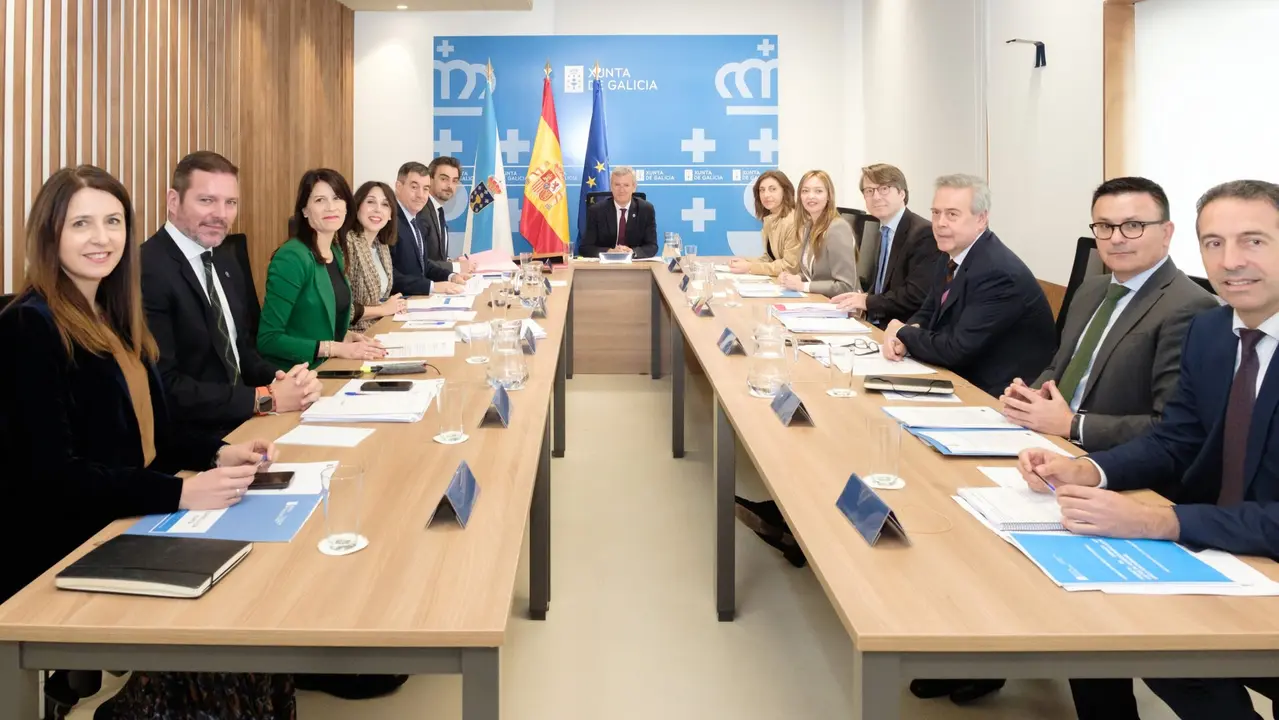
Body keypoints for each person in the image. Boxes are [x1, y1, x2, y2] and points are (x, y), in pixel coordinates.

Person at [0, 165, 291, 719]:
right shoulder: (29, 326)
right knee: (230, 640)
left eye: (113, 221)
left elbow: (151, 433)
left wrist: (215, 453)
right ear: (50, 234)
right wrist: (180, 495)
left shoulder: (113, 314)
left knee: (258, 610)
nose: (102, 237)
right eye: (81, 224)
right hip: (66, 542)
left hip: (129, 516)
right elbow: (55, 476)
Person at [1017, 179, 1279, 720]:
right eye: (1213, 243)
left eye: (1253, 241)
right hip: (1222, 551)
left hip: (1250, 551)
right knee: (1102, 619)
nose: (1230, 261)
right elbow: (1175, 438)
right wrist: (1087, 469)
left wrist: (1163, 523)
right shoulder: (1212, 330)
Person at [141, 151, 323, 439]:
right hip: (194, 444)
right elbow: (165, 387)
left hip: (247, 425)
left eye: (231, 203)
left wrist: (285, 382)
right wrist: (267, 398)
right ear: (173, 201)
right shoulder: (148, 269)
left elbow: (241, 353)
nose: (221, 215)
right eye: (207, 201)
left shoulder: (224, 258)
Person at [882, 174, 1056, 398]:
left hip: (999, 394)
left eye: (952, 214)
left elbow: (956, 350)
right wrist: (906, 335)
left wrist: (902, 332)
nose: (940, 223)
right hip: (960, 376)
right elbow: (928, 312)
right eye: (936, 213)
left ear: (981, 219)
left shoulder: (997, 273)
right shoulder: (951, 254)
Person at [258, 169, 386, 370]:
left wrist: (347, 337)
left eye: (337, 198)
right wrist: (333, 348)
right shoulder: (291, 257)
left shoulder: (335, 251)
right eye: (319, 200)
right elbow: (268, 339)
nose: (331, 207)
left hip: (330, 366)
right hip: (300, 374)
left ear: (346, 207)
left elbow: (316, 323)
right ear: (305, 210)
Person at [832, 163, 942, 328]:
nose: (876, 197)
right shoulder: (881, 229)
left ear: (902, 193)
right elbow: (881, 287)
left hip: (901, 330)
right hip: (874, 324)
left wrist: (868, 302)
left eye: (884, 189)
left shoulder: (923, 234)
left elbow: (915, 295)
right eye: (869, 191)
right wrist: (859, 302)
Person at [389, 160, 466, 295]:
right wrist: (432, 286)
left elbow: (423, 264)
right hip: (398, 303)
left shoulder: (415, 219)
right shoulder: (390, 221)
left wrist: (450, 276)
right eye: (414, 187)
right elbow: (389, 275)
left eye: (425, 189)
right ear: (398, 187)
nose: (420, 195)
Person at [778, 170, 859, 297]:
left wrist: (802, 286)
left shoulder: (837, 227)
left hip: (841, 307)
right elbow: (812, 275)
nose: (811, 196)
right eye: (805, 191)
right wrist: (794, 278)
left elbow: (845, 286)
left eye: (818, 191)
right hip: (819, 302)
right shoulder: (809, 226)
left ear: (829, 196)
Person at [346, 180, 408, 334]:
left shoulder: (381, 245)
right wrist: (383, 309)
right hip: (353, 335)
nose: (377, 210)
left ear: (390, 215)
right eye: (370, 202)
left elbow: (378, 298)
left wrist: (394, 305)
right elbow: (340, 311)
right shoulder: (346, 243)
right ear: (357, 206)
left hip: (378, 328)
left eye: (385, 205)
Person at [727, 170, 801, 276]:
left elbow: (789, 267)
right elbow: (770, 259)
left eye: (773, 189)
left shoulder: (793, 221)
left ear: (785, 191)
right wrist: (745, 261)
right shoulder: (770, 220)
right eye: (762, 190)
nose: (766, 195)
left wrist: (749, 267)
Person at [580, 166, 659, 258]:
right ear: (611, 187)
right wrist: (609, 252)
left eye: (626, 185)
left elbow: (652, 246)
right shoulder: (596, 211)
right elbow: (585, 248)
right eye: (617, 185)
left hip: (634, 266)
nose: (621, 190)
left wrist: (633, 252)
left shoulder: (646, 210)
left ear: (634, 187)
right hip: (605, 267)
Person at [419, 156, 478, 275]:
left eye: (455, 181)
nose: (450, 186)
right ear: (430, 179)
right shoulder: (420, 211)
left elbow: (436, 258)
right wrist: (455, 267)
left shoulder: (438, 210)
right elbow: (420, 262)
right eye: (444, 179)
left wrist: (450, 262)